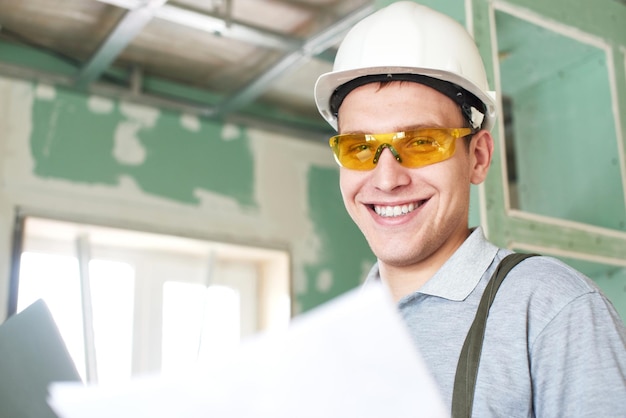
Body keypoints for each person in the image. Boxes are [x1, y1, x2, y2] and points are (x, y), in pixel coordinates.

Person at [314, 1, 626, 417]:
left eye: (422, 142)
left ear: (477, 157)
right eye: (359, 147)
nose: (387, 179)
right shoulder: (336, 339)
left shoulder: (552, 307)